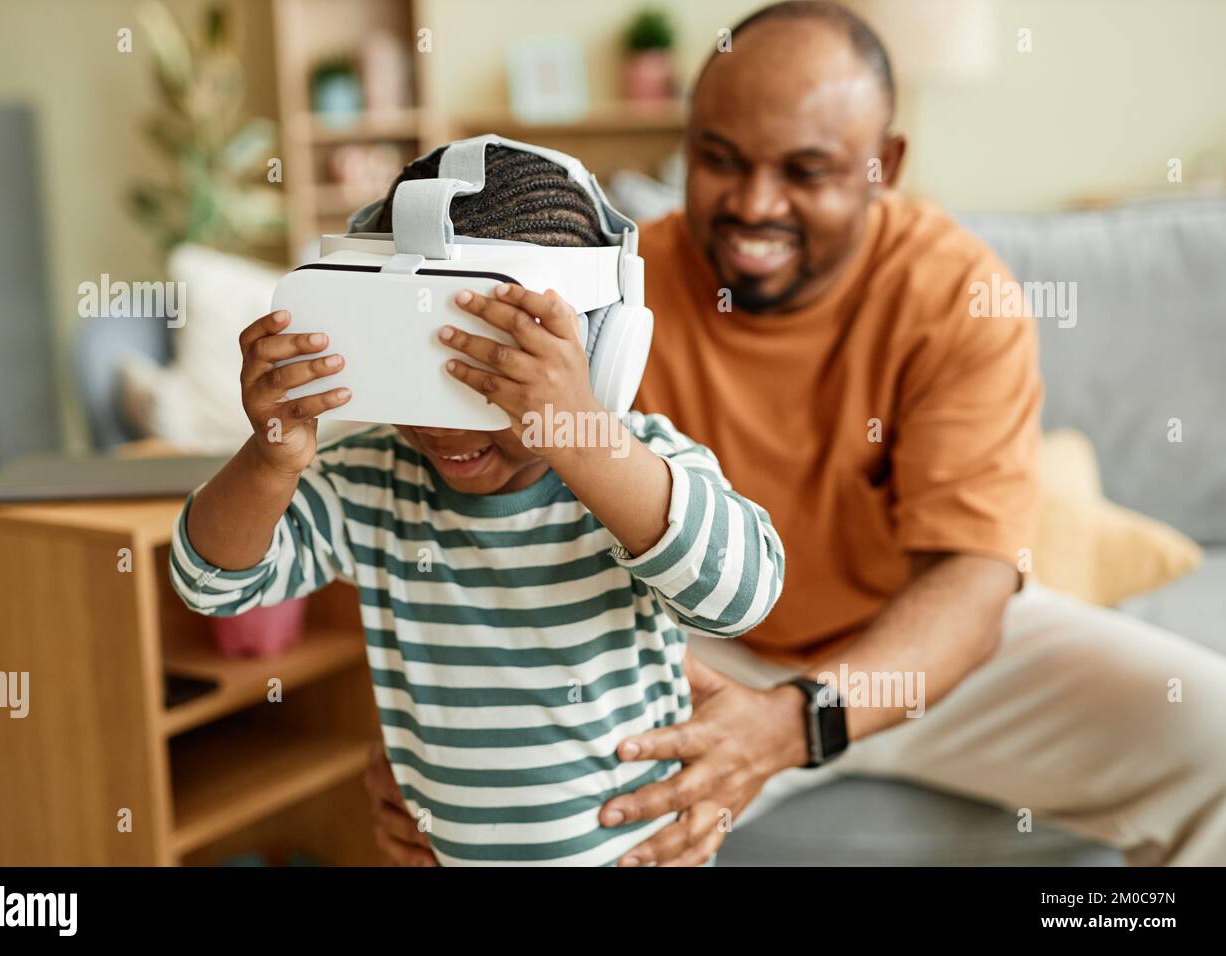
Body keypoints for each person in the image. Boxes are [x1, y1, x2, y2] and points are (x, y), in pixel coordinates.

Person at [371, 1, 1226, 868]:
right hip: (682, 647)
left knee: (1213, 737)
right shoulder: (601, 291)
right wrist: (426, 746)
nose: (754, 205)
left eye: (806, 172)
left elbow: (971, 582)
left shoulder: (957, 288)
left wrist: (797, 719)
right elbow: (451, 514)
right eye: (719, 159)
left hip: (921, 640)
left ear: (882, 166)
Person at [169, 143, 785, 866]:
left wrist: (578, 439)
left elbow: (742, 593)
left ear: (601, 353)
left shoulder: (635, 465)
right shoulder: (373, 478)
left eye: (494, 384)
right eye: (413, 370)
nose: (442, 429)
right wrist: (269, 459)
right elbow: (212, 582)